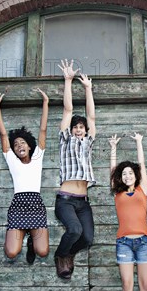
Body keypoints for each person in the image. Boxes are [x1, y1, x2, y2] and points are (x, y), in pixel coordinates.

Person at [0, 89, 50, 264]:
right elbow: (3, 134)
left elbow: (43, 129)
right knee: (11, 252)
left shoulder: (38, 156)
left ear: (30, 146)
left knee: (42, 251)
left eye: (22, 142)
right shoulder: (12, 161)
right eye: (15, 144)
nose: (18, 146)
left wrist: (46, 102)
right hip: (18, 204)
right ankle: (23, 232)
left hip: (35, 203)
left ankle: (32, 238)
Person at [109, 132, 147, 291]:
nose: (127, 176)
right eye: (124, 174)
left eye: (130, 173)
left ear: (135, 175)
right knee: (127, 284)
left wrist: (139, 142)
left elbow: (143, 165)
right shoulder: (117, 193)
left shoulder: (142, 189)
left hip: (144, 242)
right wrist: (113, 148)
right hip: (124, 242)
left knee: (144, 284)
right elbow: (112, 171)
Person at [53, 59, 96, 279]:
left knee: (87, 238)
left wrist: (88, 89)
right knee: (75, 230)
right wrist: (68, 81)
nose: (79, 130)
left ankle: (68, 253)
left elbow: (91, 117)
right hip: (66, 200)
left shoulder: (88, 142)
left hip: (83, 203)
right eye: (75, 127)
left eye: (81, 128)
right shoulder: (65, 141)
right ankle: (61, 255)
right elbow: (68, 109)